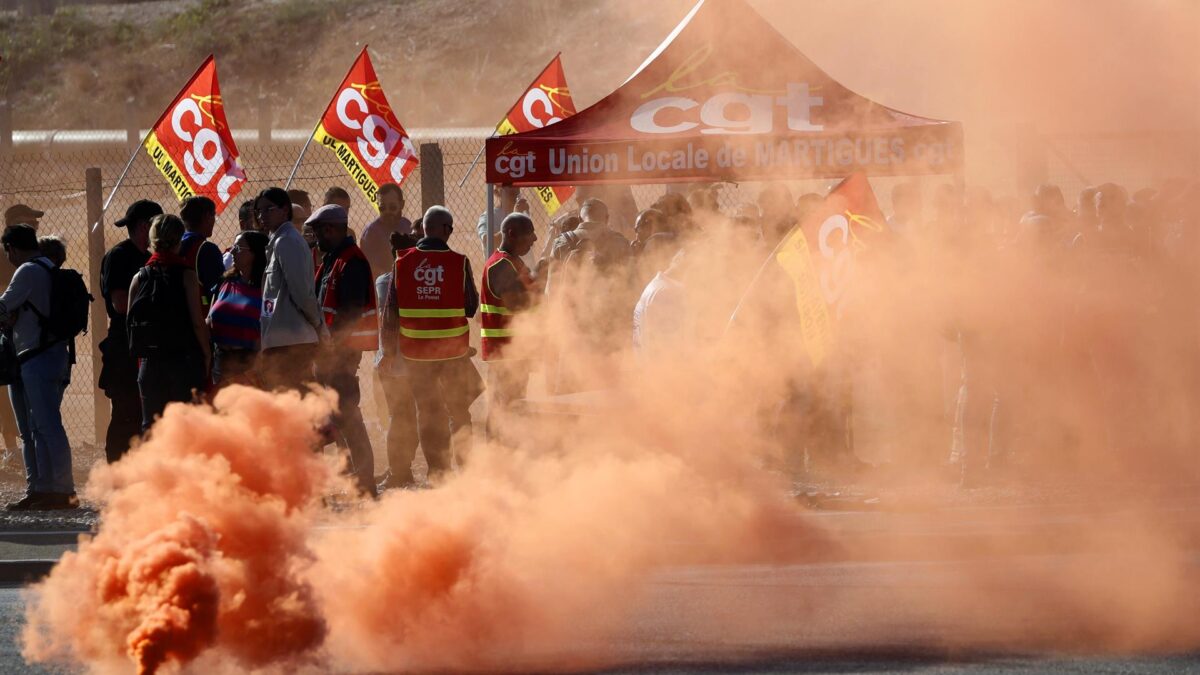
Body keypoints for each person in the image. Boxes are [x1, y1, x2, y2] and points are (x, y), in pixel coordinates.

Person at [393, 205, 482, 481]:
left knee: (428, 413)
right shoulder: (459, 262)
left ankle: (438, 474)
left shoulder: (401, 262)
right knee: (458, 409)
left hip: (415, 354)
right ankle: (465, 469)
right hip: (452, 353)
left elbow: (391, 310)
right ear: (444, 230)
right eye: (451, 229)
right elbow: (470, 306)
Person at [0, 224, 76, 510]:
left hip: (37, 356)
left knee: (45, 425)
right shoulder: (46, 267)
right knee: (38, 425)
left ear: (12, 249)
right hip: (50, 354)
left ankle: (62, 489)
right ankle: (43, 488)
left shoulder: (28, 270)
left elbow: (4, 306)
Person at [310, 204, 379, 497]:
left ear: (331, 229)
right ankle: (353, 480)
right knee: (339, 417)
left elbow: (349, 312)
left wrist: (332, 346)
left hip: (341, 353)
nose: (315, 238)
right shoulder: (333, 259)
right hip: (332, 352)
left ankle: (365, 484)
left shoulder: (351, 261)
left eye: (317, 232)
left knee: (348, 417)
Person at [127, 215, 210, 432]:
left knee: (152, 427)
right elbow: (197, 323)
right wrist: (207, 353)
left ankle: (153, 466)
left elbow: (130, 322)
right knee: (186, 427)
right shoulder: (186, 275)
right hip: (183, 362)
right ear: (179, 239)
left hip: (150, 363)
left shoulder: (139, 277)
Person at [98, 199, 160, 463]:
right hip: (124, 345)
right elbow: (120, 304)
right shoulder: (120, 256)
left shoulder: (149, 258)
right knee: (125, 411)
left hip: (145, 345)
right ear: (145, 226)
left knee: (143, 414)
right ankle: (115, 474)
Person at [257, 188, 324, 391]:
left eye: (269, 209)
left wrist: (319, 325)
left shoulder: (287, 241)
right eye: (259, 211)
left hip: (293, 344)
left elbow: (302, 293)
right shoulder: (277, 241)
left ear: (285, 210)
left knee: (294, 404)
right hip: (282, 342)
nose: (262, 216)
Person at [480, 213, 540, 440]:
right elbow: (517, 304)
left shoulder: (513, 262)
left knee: (511, 407)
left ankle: (507, 459)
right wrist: (541, 283)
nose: (534, 239)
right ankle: (497, 461)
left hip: (514, 351)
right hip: (505, 352)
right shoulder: (501, 264)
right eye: (529, 235)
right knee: (503, 409)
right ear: (511, 234)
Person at [375, 231, 420, 490]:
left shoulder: (384, 279)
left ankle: (401, 469)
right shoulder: (395, 279)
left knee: (400, 415)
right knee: (403, 416)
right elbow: (391, 320)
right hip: (400, 359)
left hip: (392, 359)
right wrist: (389, 354)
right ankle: (399, 470)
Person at [208, 230, 268, 389]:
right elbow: (209, 317)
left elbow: (270, 326)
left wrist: (256, 366)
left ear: (256, 254)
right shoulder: (226, 281)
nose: (232, 252)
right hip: (221, 360)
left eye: (239, 248)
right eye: (233, 247)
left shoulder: (267, 287)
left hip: (249, 362)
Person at [548, 198, 630, 265]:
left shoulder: (561, 242)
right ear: (607, 219)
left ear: (579, 219)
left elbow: (551, 282)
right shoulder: (621, 242)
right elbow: (633, 279)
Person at [359, 183, 413, 281]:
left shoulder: (407, 225)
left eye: (392, 207)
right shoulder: (371, 232)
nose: (387, 212)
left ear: (402, 204)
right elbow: (367, 265)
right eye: (382, 208)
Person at [178, 196, 225, 307]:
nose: (214, 220)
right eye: (214, 216)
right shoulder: (207, 249)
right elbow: (218, 290)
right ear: (207, 217)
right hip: (200, 313)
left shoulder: (176, 244)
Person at [477, 185, 521, 253]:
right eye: (509, 187)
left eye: (516, 187)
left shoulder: (522, 212)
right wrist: (515, 219)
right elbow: (487, 242)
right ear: (497, 192)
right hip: (500, 263)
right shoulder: (489, 216)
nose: (514, 190)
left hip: (525, 263)